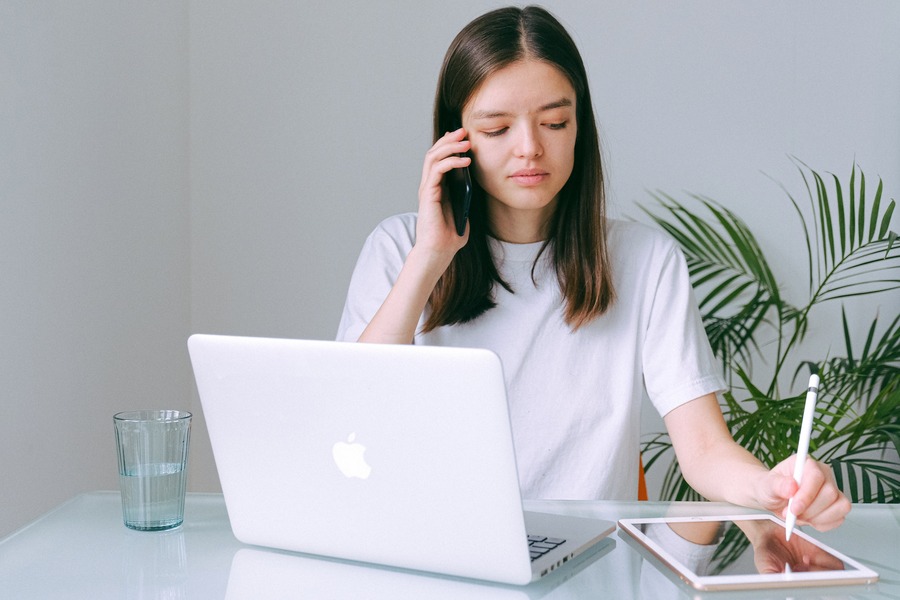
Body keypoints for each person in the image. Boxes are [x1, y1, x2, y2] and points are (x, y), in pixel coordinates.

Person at [336, 5, 849, 531]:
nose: (531, 148)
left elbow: (705, 451)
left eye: (555, 122)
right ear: (454, 143)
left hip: (590, 563)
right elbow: (352, 414)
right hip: (432, 551)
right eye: (496, 130)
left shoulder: (646, 262)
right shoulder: (399, 249)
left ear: (579, 126)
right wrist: (429, 258)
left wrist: (768, 487)